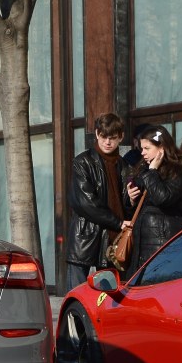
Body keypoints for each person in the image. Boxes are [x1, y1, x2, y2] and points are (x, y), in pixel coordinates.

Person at [66, 113, 133, 290]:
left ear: (121, 137)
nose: (107, 142)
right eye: (104, 136)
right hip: (85, 236)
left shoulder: (124, 166)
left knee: (107, 297)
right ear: (96, 134)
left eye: (112, 137)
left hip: (113, 240)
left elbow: (124, 203)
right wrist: (118, 223)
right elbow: (85, 203)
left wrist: (132, 200)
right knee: (77, 296)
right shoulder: (83, 161)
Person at [124, 125, 182, 275]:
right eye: (142, 148)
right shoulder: (143, 169)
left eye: (147, 148)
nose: (143, 153)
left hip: (163, 239)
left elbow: (163, 198)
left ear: (161, 147)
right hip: (141, 242)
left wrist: (153, 172)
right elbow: (135, 209)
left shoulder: (178, 170)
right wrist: (131, 199)